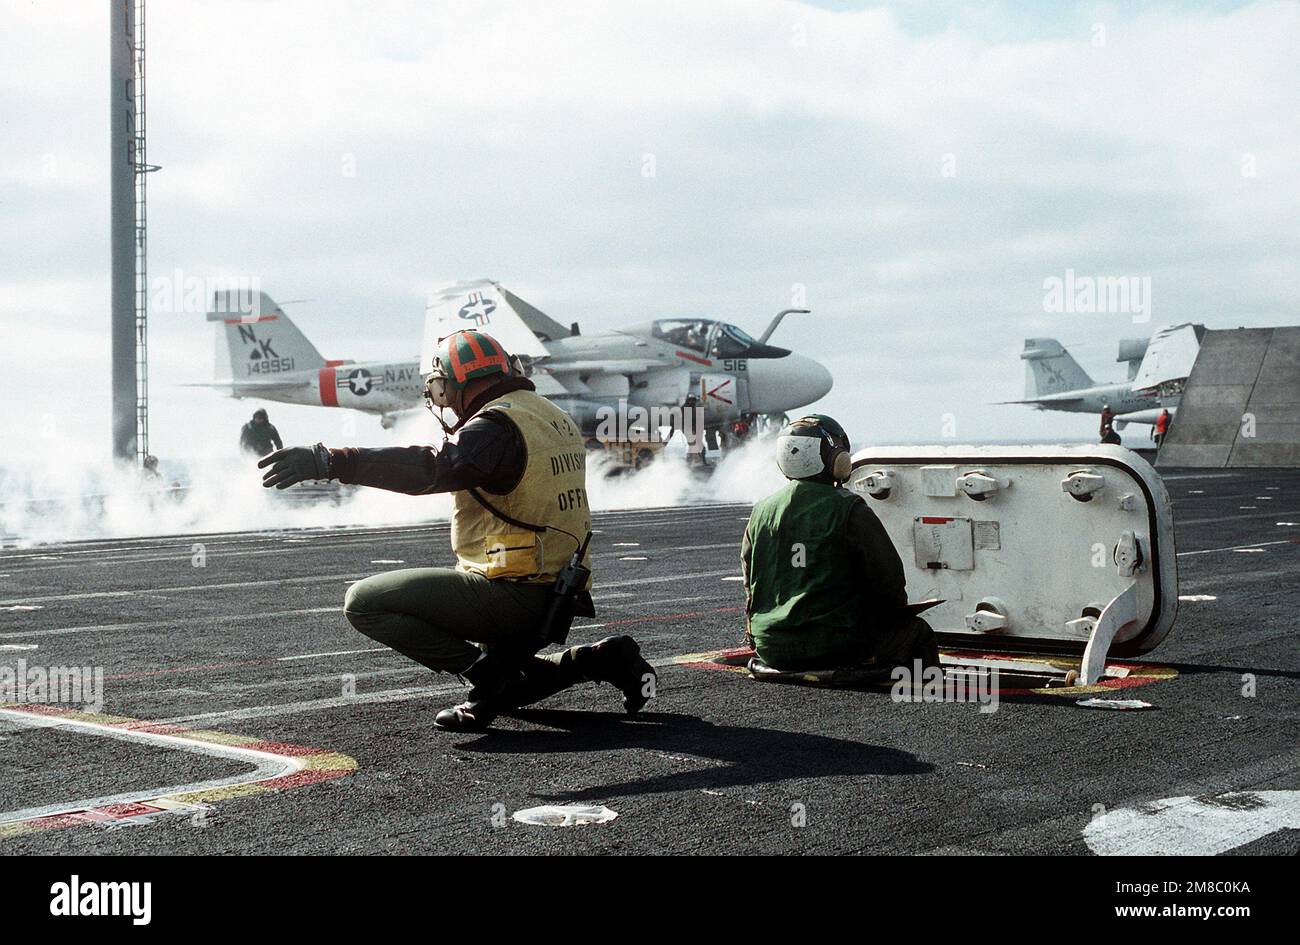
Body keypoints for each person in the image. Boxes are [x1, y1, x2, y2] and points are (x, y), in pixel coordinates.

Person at [257, 329, 655, 731]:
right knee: (516, 692)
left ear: (452, 384)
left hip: (513, 594)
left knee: (364, 602)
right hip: (560, 591)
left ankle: (488, 676)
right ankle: (598, 659)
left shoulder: (497, 424)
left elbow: (433, 467)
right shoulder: (548, 415)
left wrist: (333, 461)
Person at [741, 414, 940, 674]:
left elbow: (750, 583)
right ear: (835, 458)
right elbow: (888, 581)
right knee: (917, 632)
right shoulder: (849, 508)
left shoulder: (760, 511)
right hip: (834, 646)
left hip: (771, 648)